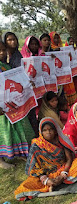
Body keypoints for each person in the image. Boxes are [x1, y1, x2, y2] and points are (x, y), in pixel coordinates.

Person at [14, 117, 77, 201]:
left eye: (51, 129)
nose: (48, 132)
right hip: (46, 175)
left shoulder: (61, 140)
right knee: (26, 185)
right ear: (41, 132)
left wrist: (63, 175)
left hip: (64, 169)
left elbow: (69, 159)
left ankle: (59, 182)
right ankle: (50, 184)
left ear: (55, 130)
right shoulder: (36, 145)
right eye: (45, 130)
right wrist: (45, 180)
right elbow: (34, 168)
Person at [0, 41, 35, 169]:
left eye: (3, 50)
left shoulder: (5, 66)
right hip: (1, 108)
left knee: (16, 129)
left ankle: (18, 153)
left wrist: (27, 83)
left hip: (11, 103)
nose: (2, 53)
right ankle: (1, 161)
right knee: (3, 132)